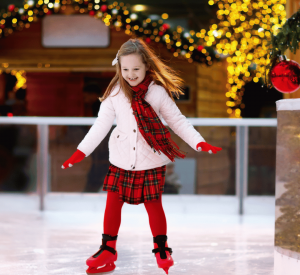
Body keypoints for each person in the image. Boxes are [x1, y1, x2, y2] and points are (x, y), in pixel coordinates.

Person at [61, 38, 222, 274]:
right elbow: (100, 127)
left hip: (151, 159)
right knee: (112, 202)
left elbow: (177, 121)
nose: (131, 74)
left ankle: (161, 247)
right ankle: (107, 248)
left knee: (153, 203)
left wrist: (199, 142)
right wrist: (80, 151)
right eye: (125, 69)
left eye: (136, 69)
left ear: (146, 66)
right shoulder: (115, 93)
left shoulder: (157, 93)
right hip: (121, 159)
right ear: (119, 68)